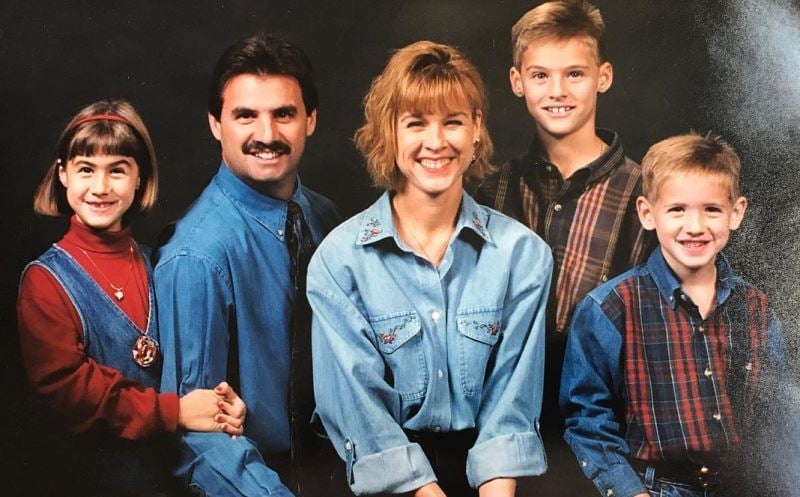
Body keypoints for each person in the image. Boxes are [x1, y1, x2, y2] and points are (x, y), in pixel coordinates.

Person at [308, 41, 552, 497]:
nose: (436, 143)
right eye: (416, 123)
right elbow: (361, 412)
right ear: (389, 132)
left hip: (494, 480)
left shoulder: (523, 255)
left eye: (453, 122)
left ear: (476, 128)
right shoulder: (339, 261)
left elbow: (509, 407)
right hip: (387, 481)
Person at [17, 100, 246, 497]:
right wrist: (176, 412)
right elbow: (75, 392)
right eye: (86, 169)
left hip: (169, 476)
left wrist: (223, 408)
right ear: (63, 175)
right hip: (89, 480)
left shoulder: (157, 260)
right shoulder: (45, 281)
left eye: (118, 170)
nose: (101, 187)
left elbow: (192, 359)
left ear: (139, 178)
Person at [474, 1, 655, 494]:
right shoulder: (490, 192)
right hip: (499, 444)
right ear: (517, 81)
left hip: (606, 444)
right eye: (540, 75)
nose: (557, 91)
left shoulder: (647, 196)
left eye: (574, 73)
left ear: (604, 76)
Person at [154, 33, 340, 496]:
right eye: (245, 116)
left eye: (284, 114)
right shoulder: (196, 257)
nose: (267, 135)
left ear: (310, 120)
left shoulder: (325, 219)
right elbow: (198, 438)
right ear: (216, 124)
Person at [560, 132, 786, 497]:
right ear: (647, 214)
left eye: (711, 209)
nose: (695, 227)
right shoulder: (610, 307)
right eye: (677, 209)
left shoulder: (757, 308)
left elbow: (780, 416)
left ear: (736, 213)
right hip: (658, 488)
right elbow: (587, 418)